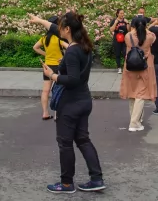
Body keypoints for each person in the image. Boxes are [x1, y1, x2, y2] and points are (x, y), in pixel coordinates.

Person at [30, 12, 105, 194]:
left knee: (65, 143)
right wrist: (39, 21)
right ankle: (96, 179)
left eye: (62, 27)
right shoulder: (84, 45)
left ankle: (66, 184)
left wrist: (52, 75)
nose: (58, 30)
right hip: (84, 100)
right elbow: (54, 29)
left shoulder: (72, 51)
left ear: (68, 29)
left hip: (70, 103)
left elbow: (72, 79)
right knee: (83, 140)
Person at [120, 17, 157, 132]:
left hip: (130, 67)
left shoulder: (128, 36)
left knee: (132, 93)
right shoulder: (150, 36)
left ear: (133, 25)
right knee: (141, 94)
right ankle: (134, 123)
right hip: (144, 67)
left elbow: (131, 37)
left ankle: (136, 119)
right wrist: (147, 29)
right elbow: (154, 38)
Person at [33, 16, 67, 120]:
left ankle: (45, 113)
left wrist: (46, 54)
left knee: (45, 91)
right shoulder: (59, 39)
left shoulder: (44, 38)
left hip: (47, 66)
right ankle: (57, 114)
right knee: (58, 90)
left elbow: (35, 47)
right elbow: (69, 48)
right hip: (58, 66)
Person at [109, 9, 129, 74]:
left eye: (123, 13)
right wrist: (115, 23)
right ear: (117, 14)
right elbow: (111, 30)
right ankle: (119, 68)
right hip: (117, 39)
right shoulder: (114, 20)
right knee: (117, 54)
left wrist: (128, 23)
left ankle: (126, 67)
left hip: (124, 40)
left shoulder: (125, 21)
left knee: (125, 53)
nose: (122, 15)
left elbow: (129, 30)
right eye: (121, 13)